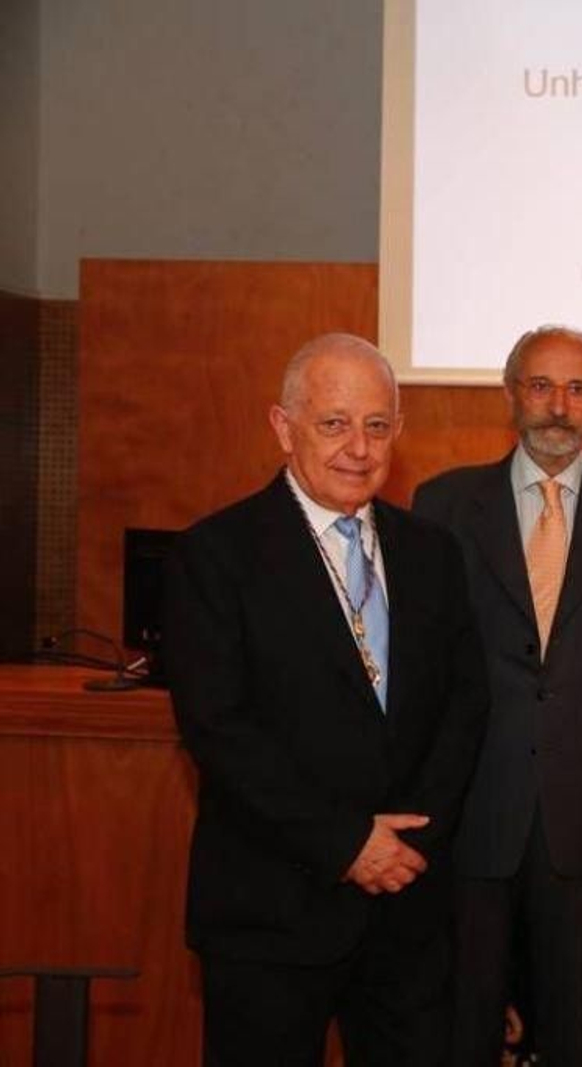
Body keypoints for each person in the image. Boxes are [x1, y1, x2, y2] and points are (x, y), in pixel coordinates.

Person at [163, 334, 488, 1065]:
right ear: (283, 427)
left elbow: (466, 705)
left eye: (377, 425)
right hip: (272, 910)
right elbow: (219, 729)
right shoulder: (216, 555)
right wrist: (346, 842)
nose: (358, 448)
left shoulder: (432, 553)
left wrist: (407, 845)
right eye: (333, 423)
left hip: (408, 906)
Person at [411, 325, 582, 1067]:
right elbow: (425, 669)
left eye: (578, 388)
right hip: (471, 811)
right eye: (540, 385)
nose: (558, 406)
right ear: (511, 394)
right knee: (462, 1023)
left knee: (577, 1028)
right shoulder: (443, 503)